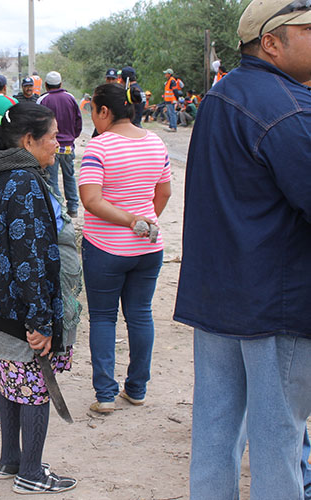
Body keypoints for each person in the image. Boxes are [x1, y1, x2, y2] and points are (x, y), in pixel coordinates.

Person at [174, 0, 311, 497]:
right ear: (272, 42)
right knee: (278, 443)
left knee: (215, 433)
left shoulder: (223, 92)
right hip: (273, 304)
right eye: (308, 30)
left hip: (218, 297)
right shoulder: (288, 108)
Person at [0, 103, 77, 494]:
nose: (59, 143)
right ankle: (32, 473)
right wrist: (40, 322)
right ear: (28, 141)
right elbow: (31, 257)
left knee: (10, 385)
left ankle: (10, 460)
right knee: (35, 388)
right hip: (21, 312)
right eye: (53, 136)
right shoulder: (22, 180)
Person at [79, 83, 171, 414]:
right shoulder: (156, 142)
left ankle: (105, 394)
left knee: (103, 318)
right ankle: (137, 388)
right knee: (140, 315)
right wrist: (144, 220)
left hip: (106, 247)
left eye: (93, 110)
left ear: (104, 111)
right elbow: (164, 192)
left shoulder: (99, 148)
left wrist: (131, 220)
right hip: (149, 248)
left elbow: (91, 200)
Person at [37, 71, 82, 217]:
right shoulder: (70, 98)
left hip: (50, 147)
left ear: (46, 85)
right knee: (69, 176)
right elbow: (78, 120)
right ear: (61, 84)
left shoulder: (43, 100)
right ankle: (73, 207)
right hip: (68, 146)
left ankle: (59, 209)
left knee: (53, 178)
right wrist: (72, 136)